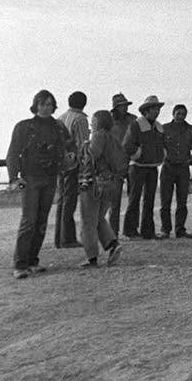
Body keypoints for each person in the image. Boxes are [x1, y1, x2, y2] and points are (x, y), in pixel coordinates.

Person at [5, 90, 75, 279]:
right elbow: (13, 153)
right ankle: (19, 265)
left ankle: (32, 261)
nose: (46, 107)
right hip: (29, 179)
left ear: (54, 106)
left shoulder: (59, 127)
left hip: (50, 178)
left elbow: (70, 146)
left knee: (41, 221)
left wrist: (70, 156)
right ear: (35, 105)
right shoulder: (24, 127)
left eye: (49, 104)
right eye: (42, 104)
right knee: (28, 221)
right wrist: (14, 178)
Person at [76, 110, 124, 268]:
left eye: (93, 121)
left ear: (98, 122)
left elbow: (92, 156)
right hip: (111, 183)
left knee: (88, 222)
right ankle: (112, 244)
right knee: (99, 219)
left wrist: (84, 148)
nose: (91, 124)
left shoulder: (97, 136)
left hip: (94, 184)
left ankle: (91, 258)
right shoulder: (114, 139)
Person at [123, 95, 166, 239]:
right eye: (154, 108)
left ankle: (148, 231)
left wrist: (162, 154)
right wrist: (138, 154)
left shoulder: (159, 127)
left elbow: (164, 145)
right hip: (137, 167)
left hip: (152, 167)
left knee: (150, 200)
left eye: (158, 108)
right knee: (134, 199)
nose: (157, 111)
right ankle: (131, 231)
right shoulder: (136, 125)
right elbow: (127, 145)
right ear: (146, 110)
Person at [160, 104, 192, 238]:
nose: (180, 116)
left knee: (182, 201)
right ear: (173, 114)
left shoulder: (190, 130)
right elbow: (157, 144)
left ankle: (180, 229)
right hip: (168, 167)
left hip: (183, 168)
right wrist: (161, 157)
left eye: (183, 114)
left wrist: (191, 159)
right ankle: (165, 230)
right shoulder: (164, 128)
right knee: (165, 201)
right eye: (178, 114)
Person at [55, 90, 90, 249]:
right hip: (73, 164)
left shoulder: (60, 118)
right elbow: (83, 145)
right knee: (69, 201)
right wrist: (85, 166)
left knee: (62, 200)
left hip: (60, 163)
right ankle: (67, 239)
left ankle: (59, 238)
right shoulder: (80, 119)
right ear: (84, 103)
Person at [107, 93, 135, 238]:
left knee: (133, 199)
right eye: (121, 106)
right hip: (114, 166)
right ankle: (113, 233)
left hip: (131, 163)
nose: (124, 108)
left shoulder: (132, 120)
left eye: (125, 106)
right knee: (115, 202)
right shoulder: (108, 122)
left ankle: (130, 230)